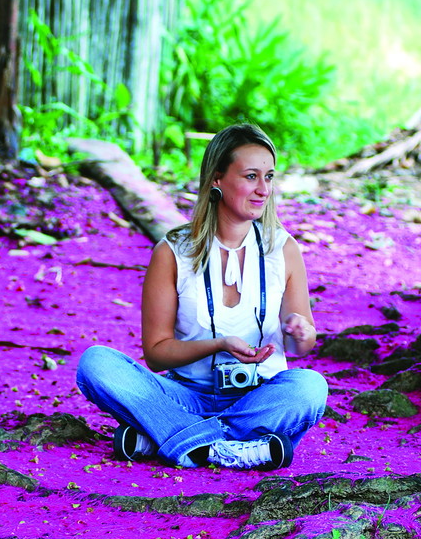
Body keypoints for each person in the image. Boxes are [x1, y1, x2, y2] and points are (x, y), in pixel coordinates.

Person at [76, 123, 328, 471]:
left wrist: (300, 332)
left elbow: (304, 347)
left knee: (310, 387)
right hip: (184, 397)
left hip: (259, 396)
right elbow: (157, 355)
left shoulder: (282, 248)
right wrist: (218, 344)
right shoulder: (172, 251)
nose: (263, 190)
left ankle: (167, 440)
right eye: (251, 176)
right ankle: (237, 448)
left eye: (269, 177)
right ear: (217, 179)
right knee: (96, 364)